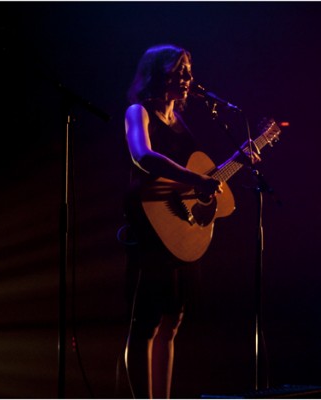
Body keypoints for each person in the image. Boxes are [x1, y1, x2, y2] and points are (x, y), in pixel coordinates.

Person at [121, 44, 225, 399]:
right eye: (179, 69)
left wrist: (206, 196)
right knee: (146, 324)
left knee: (172, 323)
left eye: (189, 69)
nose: (187, 77)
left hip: (179, 232)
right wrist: (197, 181)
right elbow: (143, 156)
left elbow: (194, 183)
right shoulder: (139, 112)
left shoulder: (181, 123)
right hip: (150, 230)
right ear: (157, 72)